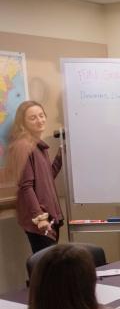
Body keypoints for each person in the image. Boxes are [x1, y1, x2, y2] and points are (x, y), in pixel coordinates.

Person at [6, 100, 64, 253]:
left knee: (48, 266)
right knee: (45, 268)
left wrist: (60, 156)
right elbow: (26, 187)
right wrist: (40, 217)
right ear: (22, 123)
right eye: (33, 118)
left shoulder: (37, 145)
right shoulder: (23, 146)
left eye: (41, 115)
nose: (39, 120)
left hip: (48, 217)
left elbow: (46, 179)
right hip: (40, 220)